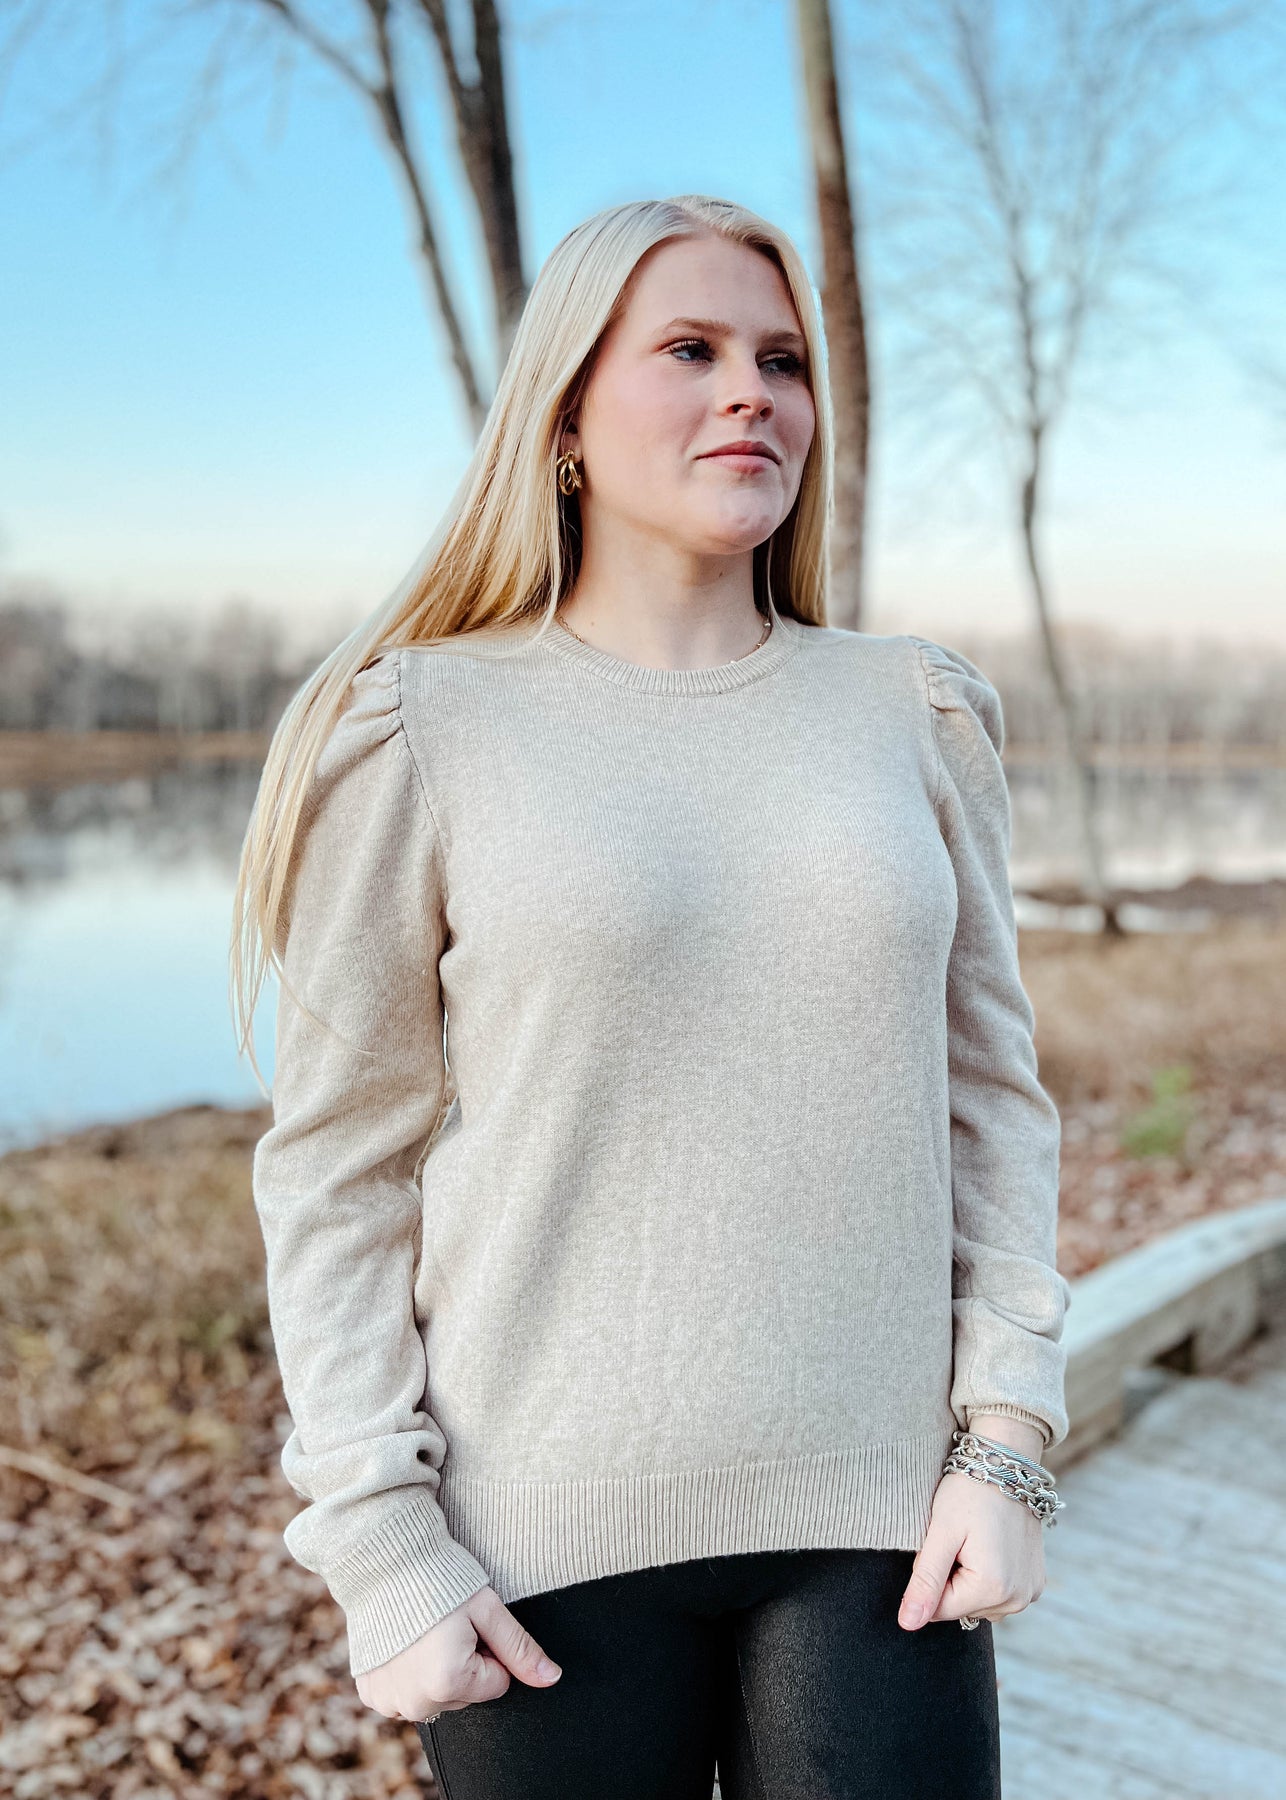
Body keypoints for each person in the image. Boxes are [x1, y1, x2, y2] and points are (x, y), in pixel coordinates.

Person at [231, 194, 1071, 1799]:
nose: (751, 390)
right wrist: (380, 1541)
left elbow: (994, 1109)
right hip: (533, 1551)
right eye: (688, 350)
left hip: (885, 1527)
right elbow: (337, 1171)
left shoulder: (913, 712)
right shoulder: (415, 728)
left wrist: (1006, 1442)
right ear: (562, 420)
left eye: (780, 359)